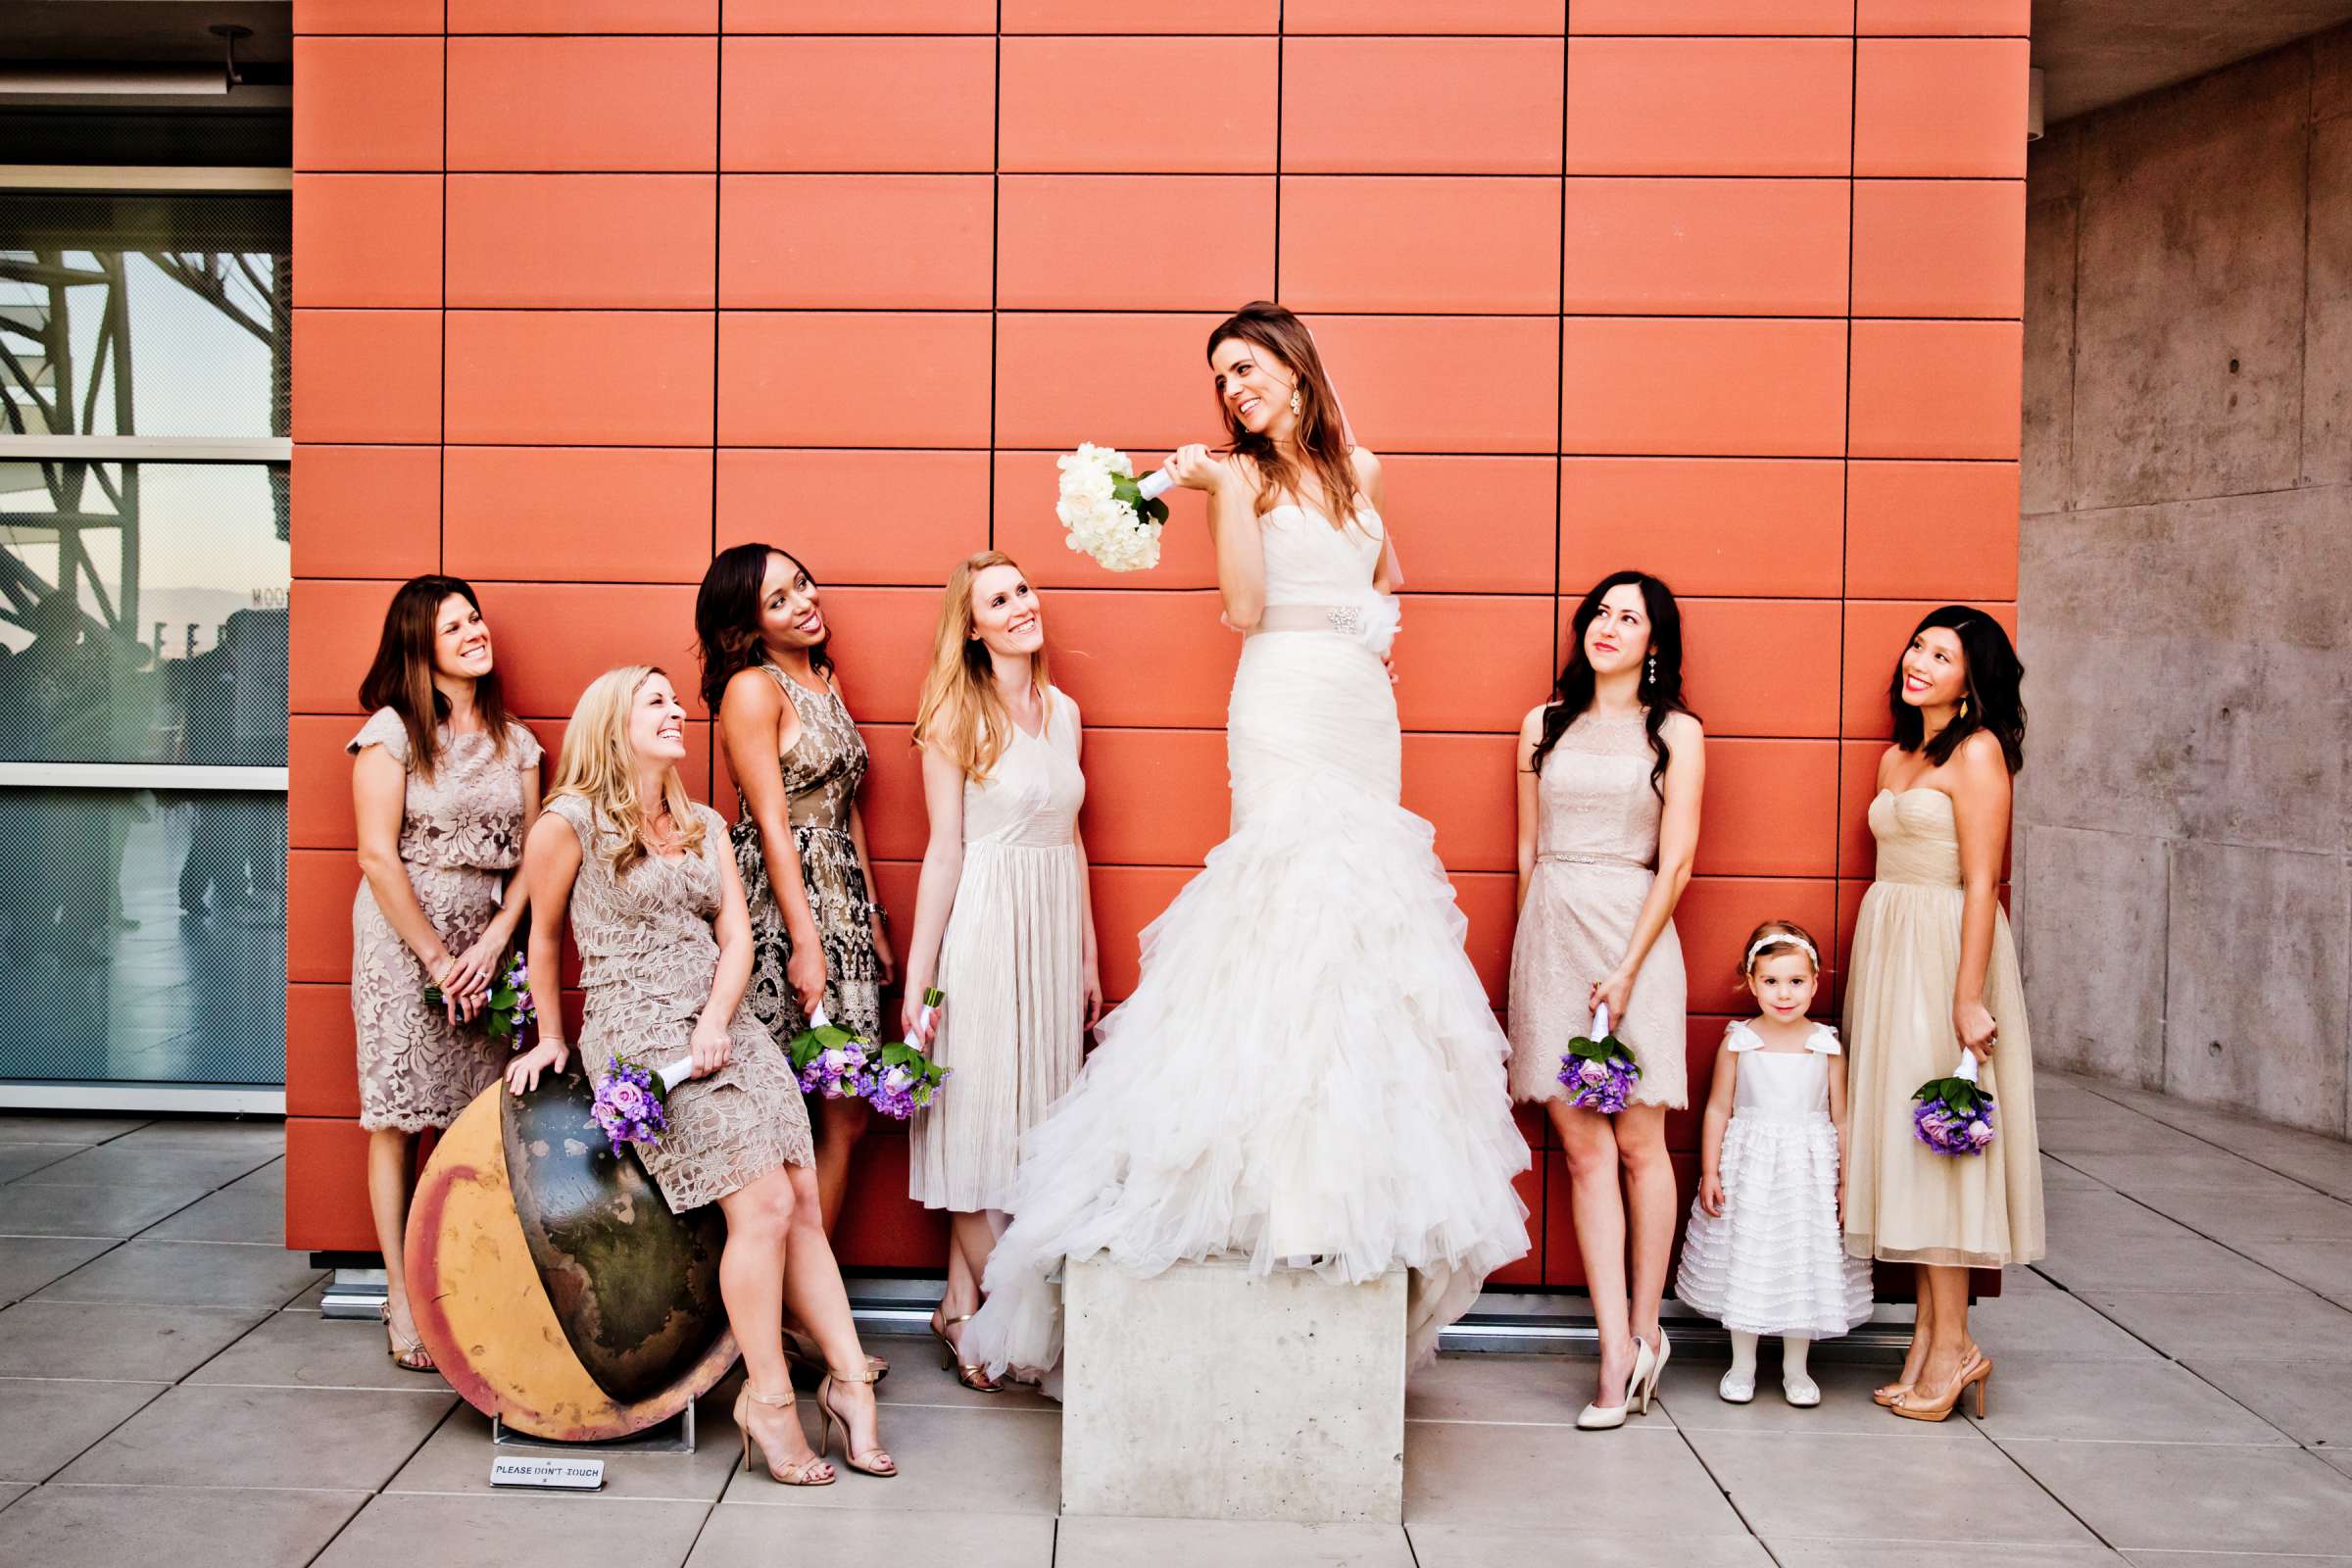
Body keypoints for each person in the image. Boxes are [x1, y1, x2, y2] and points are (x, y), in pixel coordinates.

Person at [960, 301, 1530, 1382]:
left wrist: (1365, 634)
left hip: (1361, 707)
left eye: (1245, 366)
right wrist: (1217, 489)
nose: (1233, 389)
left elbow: (1385, 577)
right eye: (1220, 377)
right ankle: (1266, 1182)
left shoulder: (1362, 467)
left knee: (1364, 912)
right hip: (1281, 701)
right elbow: (1242, 605)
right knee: (1286, 900)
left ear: (1294, 364)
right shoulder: (1243, 477)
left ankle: (1338, 1175)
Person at [503, 666, 896, 1484]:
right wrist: (548, 1036)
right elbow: (542, 941)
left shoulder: (705, 821)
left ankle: (852, 1384)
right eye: (656, 702)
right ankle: (771, 1400)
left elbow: (739, 940)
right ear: (613, 722)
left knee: (801, 1200)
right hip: (645, 1039)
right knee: (758, 1206)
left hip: (725, 1025)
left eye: (675, 700)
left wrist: (720, 1019)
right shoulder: (567, 823)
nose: (677, 710)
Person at [1505, 569, 1701, 1430]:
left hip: (1638, 935)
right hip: (1553, 934)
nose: (1609, 627)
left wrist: (1625, 970)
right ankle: (1612, 1351)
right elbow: (1526, 850)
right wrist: (1533, 956)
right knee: (1583, 1154)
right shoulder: (1541, 725)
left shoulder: (1680, 734)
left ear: (1654, 642)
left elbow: (1679, 860)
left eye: (1631, 617)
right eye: (1600, 613)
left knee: (1639, 1144)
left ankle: (1648, 1328)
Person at [901, 551, 1101, 1392]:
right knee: (980, 1112)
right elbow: (944, 852)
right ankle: (1016, 1314)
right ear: (972, 627)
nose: (1021, 606)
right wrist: (918, 982)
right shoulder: (954, 715)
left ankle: (956, 1310)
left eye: (1022, 590)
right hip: (985, 926)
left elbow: (1075, 837)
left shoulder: (1064, 711)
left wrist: (1088, 953)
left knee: (1030, 1124)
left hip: (1054, 931)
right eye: (998, 599)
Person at [1843, 606, 2042, 1423]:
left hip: (1942, 955)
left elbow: (1982, 881)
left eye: (1942, 654)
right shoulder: (1897, 755)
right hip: (1888, 949)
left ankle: (1956, 1346)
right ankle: (1929, 1342)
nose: (1919, 662)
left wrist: (1968, 997)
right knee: (1908, 1144)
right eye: (1918, 646)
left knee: (1943, 1156)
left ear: (1973, 677)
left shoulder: (1980, 752)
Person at [348, 576, 541, 1372]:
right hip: (404, 940)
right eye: (454, 625)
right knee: (397, 1115)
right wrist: (434, 957)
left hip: (487, 945)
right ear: (419, 646)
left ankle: (456, 1286)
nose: (475, 632)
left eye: (475, 618)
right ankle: (400, 1294)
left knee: (471, 1121)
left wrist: (497, 939)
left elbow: (538, 854)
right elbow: (374, 853)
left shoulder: (517, 742)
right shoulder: (390, 734)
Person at [1674, 920, 1874, 1406]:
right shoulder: (1739, 1041)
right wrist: (1711, 1171)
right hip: (1751, 1169)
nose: (1784, 994)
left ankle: (1795, 1369)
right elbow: (1718, 1108)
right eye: (1771, 981)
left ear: (1816, 982)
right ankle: (1742, 1364)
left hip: (1808, 1172)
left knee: (1799, 1261)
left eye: (1796, 981)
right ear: (1750, 980)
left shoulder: (1826, 1045)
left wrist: (1847, 1182)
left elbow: (1842, 1118)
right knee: (1751, 1257)